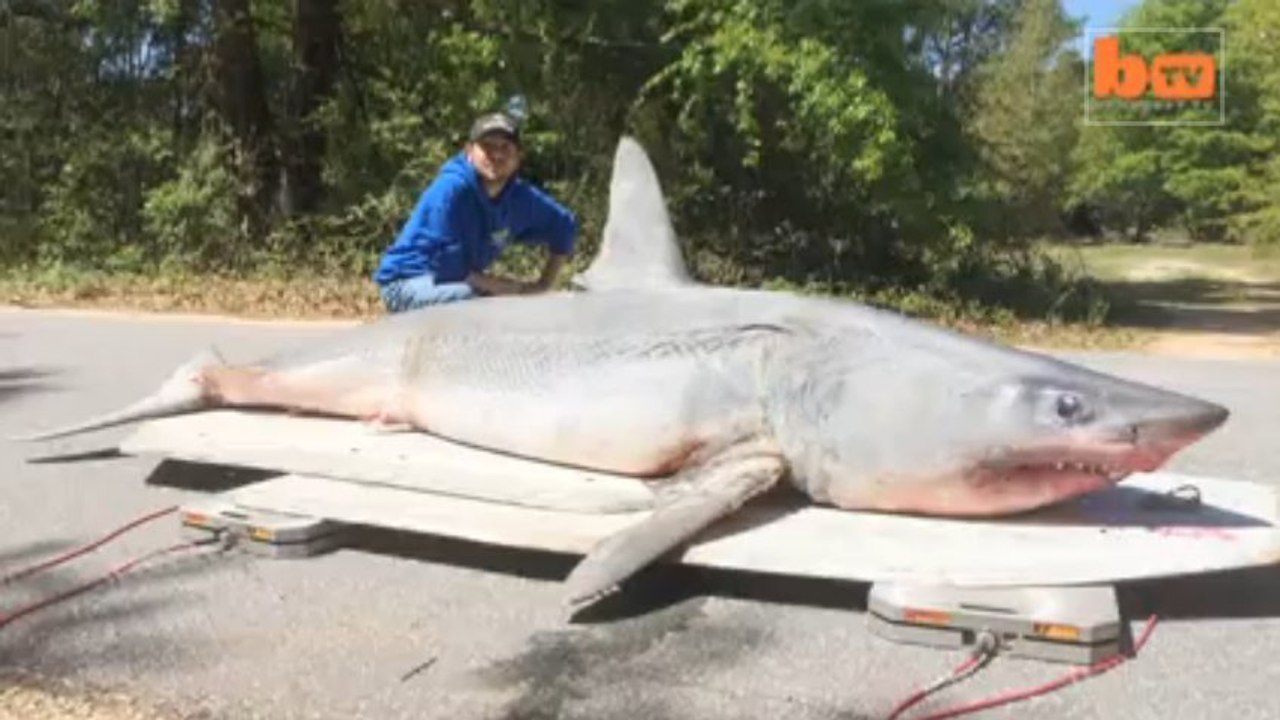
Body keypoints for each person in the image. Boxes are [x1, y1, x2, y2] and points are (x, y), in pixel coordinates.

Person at [373, 111, 579, 312]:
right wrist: (518, 290)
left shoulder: (521, 197)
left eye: (505, 147)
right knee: (479, 302)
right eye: (487, 146)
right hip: (407, 283)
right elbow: (451, 270)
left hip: (456, 284)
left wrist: (544, 285)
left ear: (519, 156)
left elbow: (565, 225)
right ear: (469, 152)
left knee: (489, 300)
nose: (497, 154)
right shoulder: (451, 189)